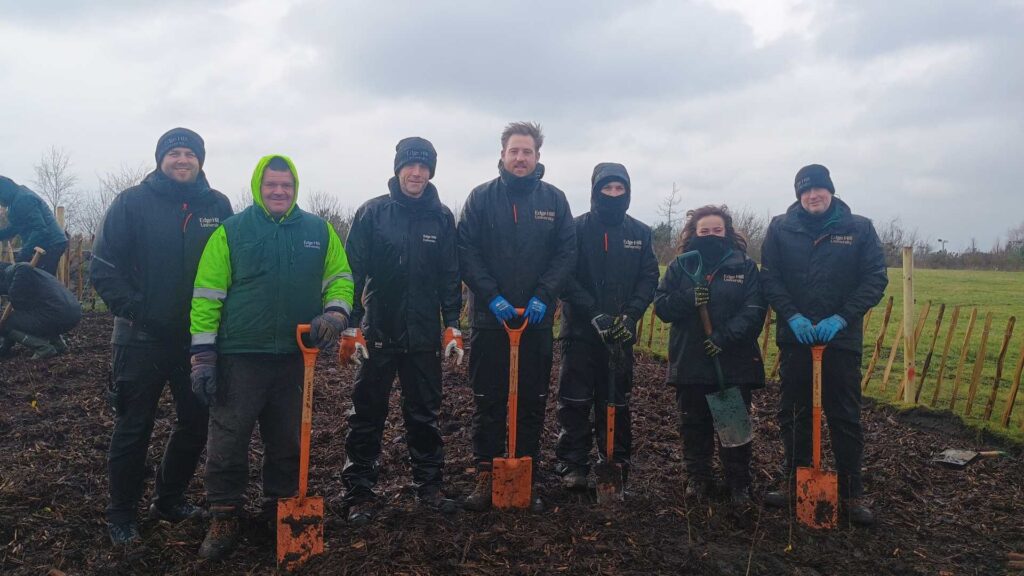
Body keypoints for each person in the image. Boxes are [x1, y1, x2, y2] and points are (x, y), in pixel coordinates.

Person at [189, 154, 354, 560]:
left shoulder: (318, 230)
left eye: (287, 186)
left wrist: (335, 312)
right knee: (229, 437)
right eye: (271, 185)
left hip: (297, 357)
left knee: (288, 439)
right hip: (240, 356)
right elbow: (208, 295)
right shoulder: (232, 231)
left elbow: (341, 278)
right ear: (258, 187)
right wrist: (203, 355)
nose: (279, 192)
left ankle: (279, 509)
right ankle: (224, 512)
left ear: (295, 189)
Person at [90, 127, 232, 545]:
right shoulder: (132, 203)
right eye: (175, 153)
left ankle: (169, 499)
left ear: (201, 160)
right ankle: (121, 514)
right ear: (160, 159)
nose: (183, 159)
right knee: (134, 425)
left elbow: (233, 265)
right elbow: (102, 267)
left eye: (190, 153)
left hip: (197, 340)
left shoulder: (218, 205)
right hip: (140, 338)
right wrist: (136, 309)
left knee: (196, 422)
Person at [339, 137, 462, 524]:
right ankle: (359, 490)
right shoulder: (373, 213)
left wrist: (453, 324)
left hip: (424, 334)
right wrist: (350, 325)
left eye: (424, 167)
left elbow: (449, 276)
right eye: (410, 166)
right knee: (367, 412)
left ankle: (429, 486)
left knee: (424, 413)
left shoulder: (441, 217)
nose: (417, 173)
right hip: (378, 329)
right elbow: (352, 272)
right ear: (398, 169)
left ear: (431, 172)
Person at [458, 121, 576, 513]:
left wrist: (544, 296)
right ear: (503, 155)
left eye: (527, 152)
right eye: (514, 151)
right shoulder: (480, 199)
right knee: (487, 400)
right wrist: (491, 297)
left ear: (538, 156)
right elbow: (467, 251)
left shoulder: (555, 201)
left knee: (531, 401)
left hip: (535, 322)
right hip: (491, 322)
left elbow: (566, 253)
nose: (520, 158)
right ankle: (485, 474)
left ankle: (526, 472)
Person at [760, 164, 887, 525]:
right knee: (794, 412)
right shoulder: (780, 228)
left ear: (830, 191)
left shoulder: (858, 228)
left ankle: (851, 491)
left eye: (819, 189)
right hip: (796, 338)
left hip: (841, 339)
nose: (812, 196)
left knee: (845, 414)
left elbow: (874, 278)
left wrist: (842, 318)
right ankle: (794, 480)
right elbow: (770, 277)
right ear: (798, 195)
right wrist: (792, 316)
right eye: (805, 191)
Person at [555, 163, 659, 491]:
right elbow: (564, 275)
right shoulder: (575, 229)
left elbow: (648, 277)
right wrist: (593, 313)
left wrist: (630, 316)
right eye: (607, 188)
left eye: (619, 189)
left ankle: (614, 460)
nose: (613, 194)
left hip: (620, 334)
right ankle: (573, 463)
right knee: (575, 400)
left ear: (627, 192)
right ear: (595, 191)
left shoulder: (639, 233)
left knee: (616, 399)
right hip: (581, 333)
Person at [654, 205, 766, 504]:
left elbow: (755, 311)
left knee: (733, 425)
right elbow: (662, 307)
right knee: (694, 424)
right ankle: (698, 478)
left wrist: (723, 337)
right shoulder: (681, 265)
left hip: (732, 360)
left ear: (728, 232)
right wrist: (687, 298)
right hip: (691, 359)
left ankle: (738, 482)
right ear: (694, 233)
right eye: (705, 231)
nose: (711, 235)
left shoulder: (743, 266)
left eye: (717, 230)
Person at [0, 262, 81, 360]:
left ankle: (43, 348)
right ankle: (59, 345)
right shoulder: (33, 276)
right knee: (23, 319)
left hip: (57, 313)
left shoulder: (11, 270)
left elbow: (23, 267)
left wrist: (13, 294)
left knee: (6, 323)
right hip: (72, 312)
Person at [0, 175, 68, 276]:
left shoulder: (23, 199)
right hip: (45, 242)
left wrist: (24, 253)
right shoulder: (15, 201)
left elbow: (40, 229)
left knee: (42, 279)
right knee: (34, 278)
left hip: (52, 242)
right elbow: (15, 227)